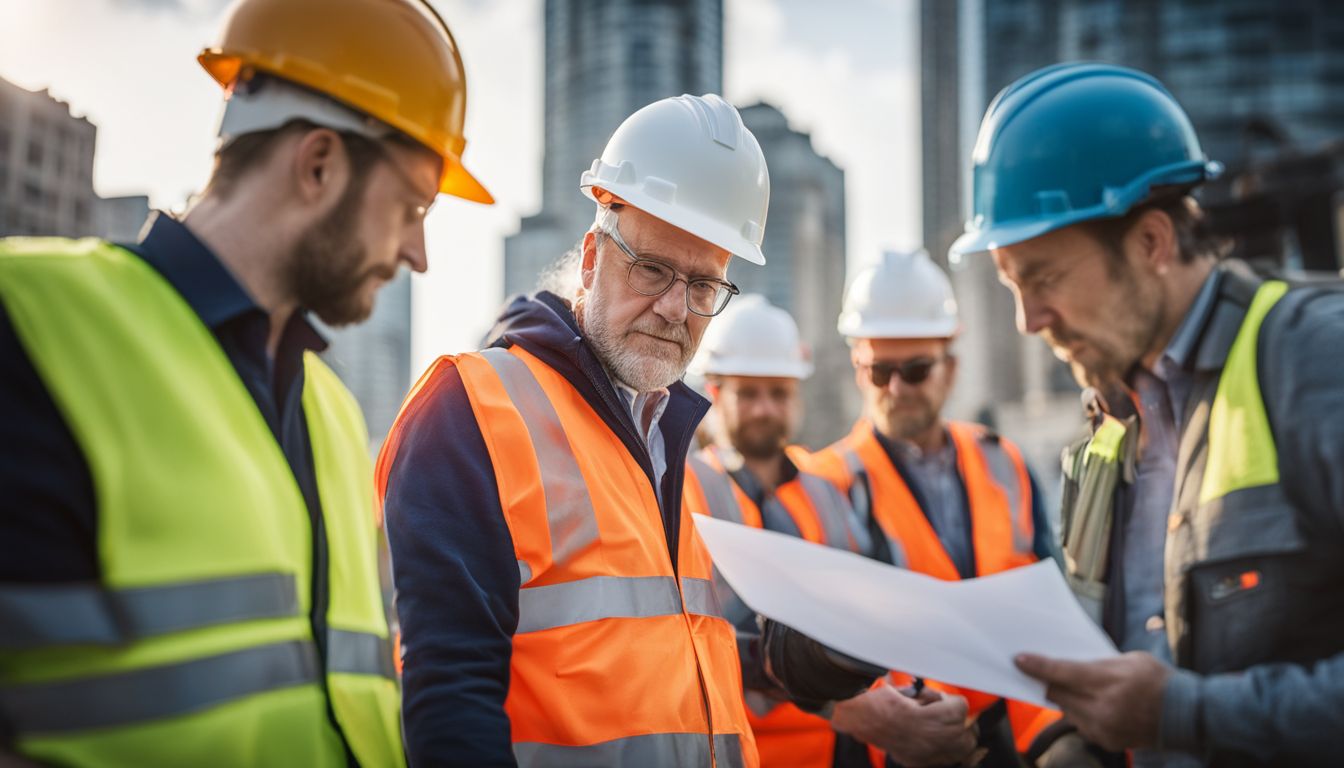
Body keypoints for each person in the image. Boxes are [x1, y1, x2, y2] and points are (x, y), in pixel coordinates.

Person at [0, 0, 491, 765]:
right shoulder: (29, 326)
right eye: (413, 206)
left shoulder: (329, 410)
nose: (418, 252)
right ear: (320, 163)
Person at [951, 61, 1344, 767]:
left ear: (1152, 243)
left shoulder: (1313, 361)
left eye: (1043, 277)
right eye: (1012, 284)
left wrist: (1180, 713)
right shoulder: (1105, 431)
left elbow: (1160, 706)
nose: (1027, 319)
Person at [376, 93, 771, 766]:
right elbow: (449, 701)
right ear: (591, 257)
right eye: (651, 268)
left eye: (704, 287)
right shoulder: (471, 409)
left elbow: (656, 649)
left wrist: (805, 673)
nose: (675, 309)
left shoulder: (675, 444)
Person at [684, 295, 984, 768]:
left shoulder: (826, 491)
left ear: (797, 396)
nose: (764, 409)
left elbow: (869, 620)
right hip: (745, 750)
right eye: (748, 393)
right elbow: (696, 636)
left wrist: (913, 701)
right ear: (716, 395)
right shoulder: (686, 488)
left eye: (778, 393)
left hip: (838, 752)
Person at [792, 249, 1063, 767]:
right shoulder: (823, 483)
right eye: (880, 371)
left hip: (1014, 740)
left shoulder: (1004, 460)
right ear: (858, 369)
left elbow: (1046, 602)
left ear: (950, 367)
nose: (897, 388)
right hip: (896, 749)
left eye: (915, 370)